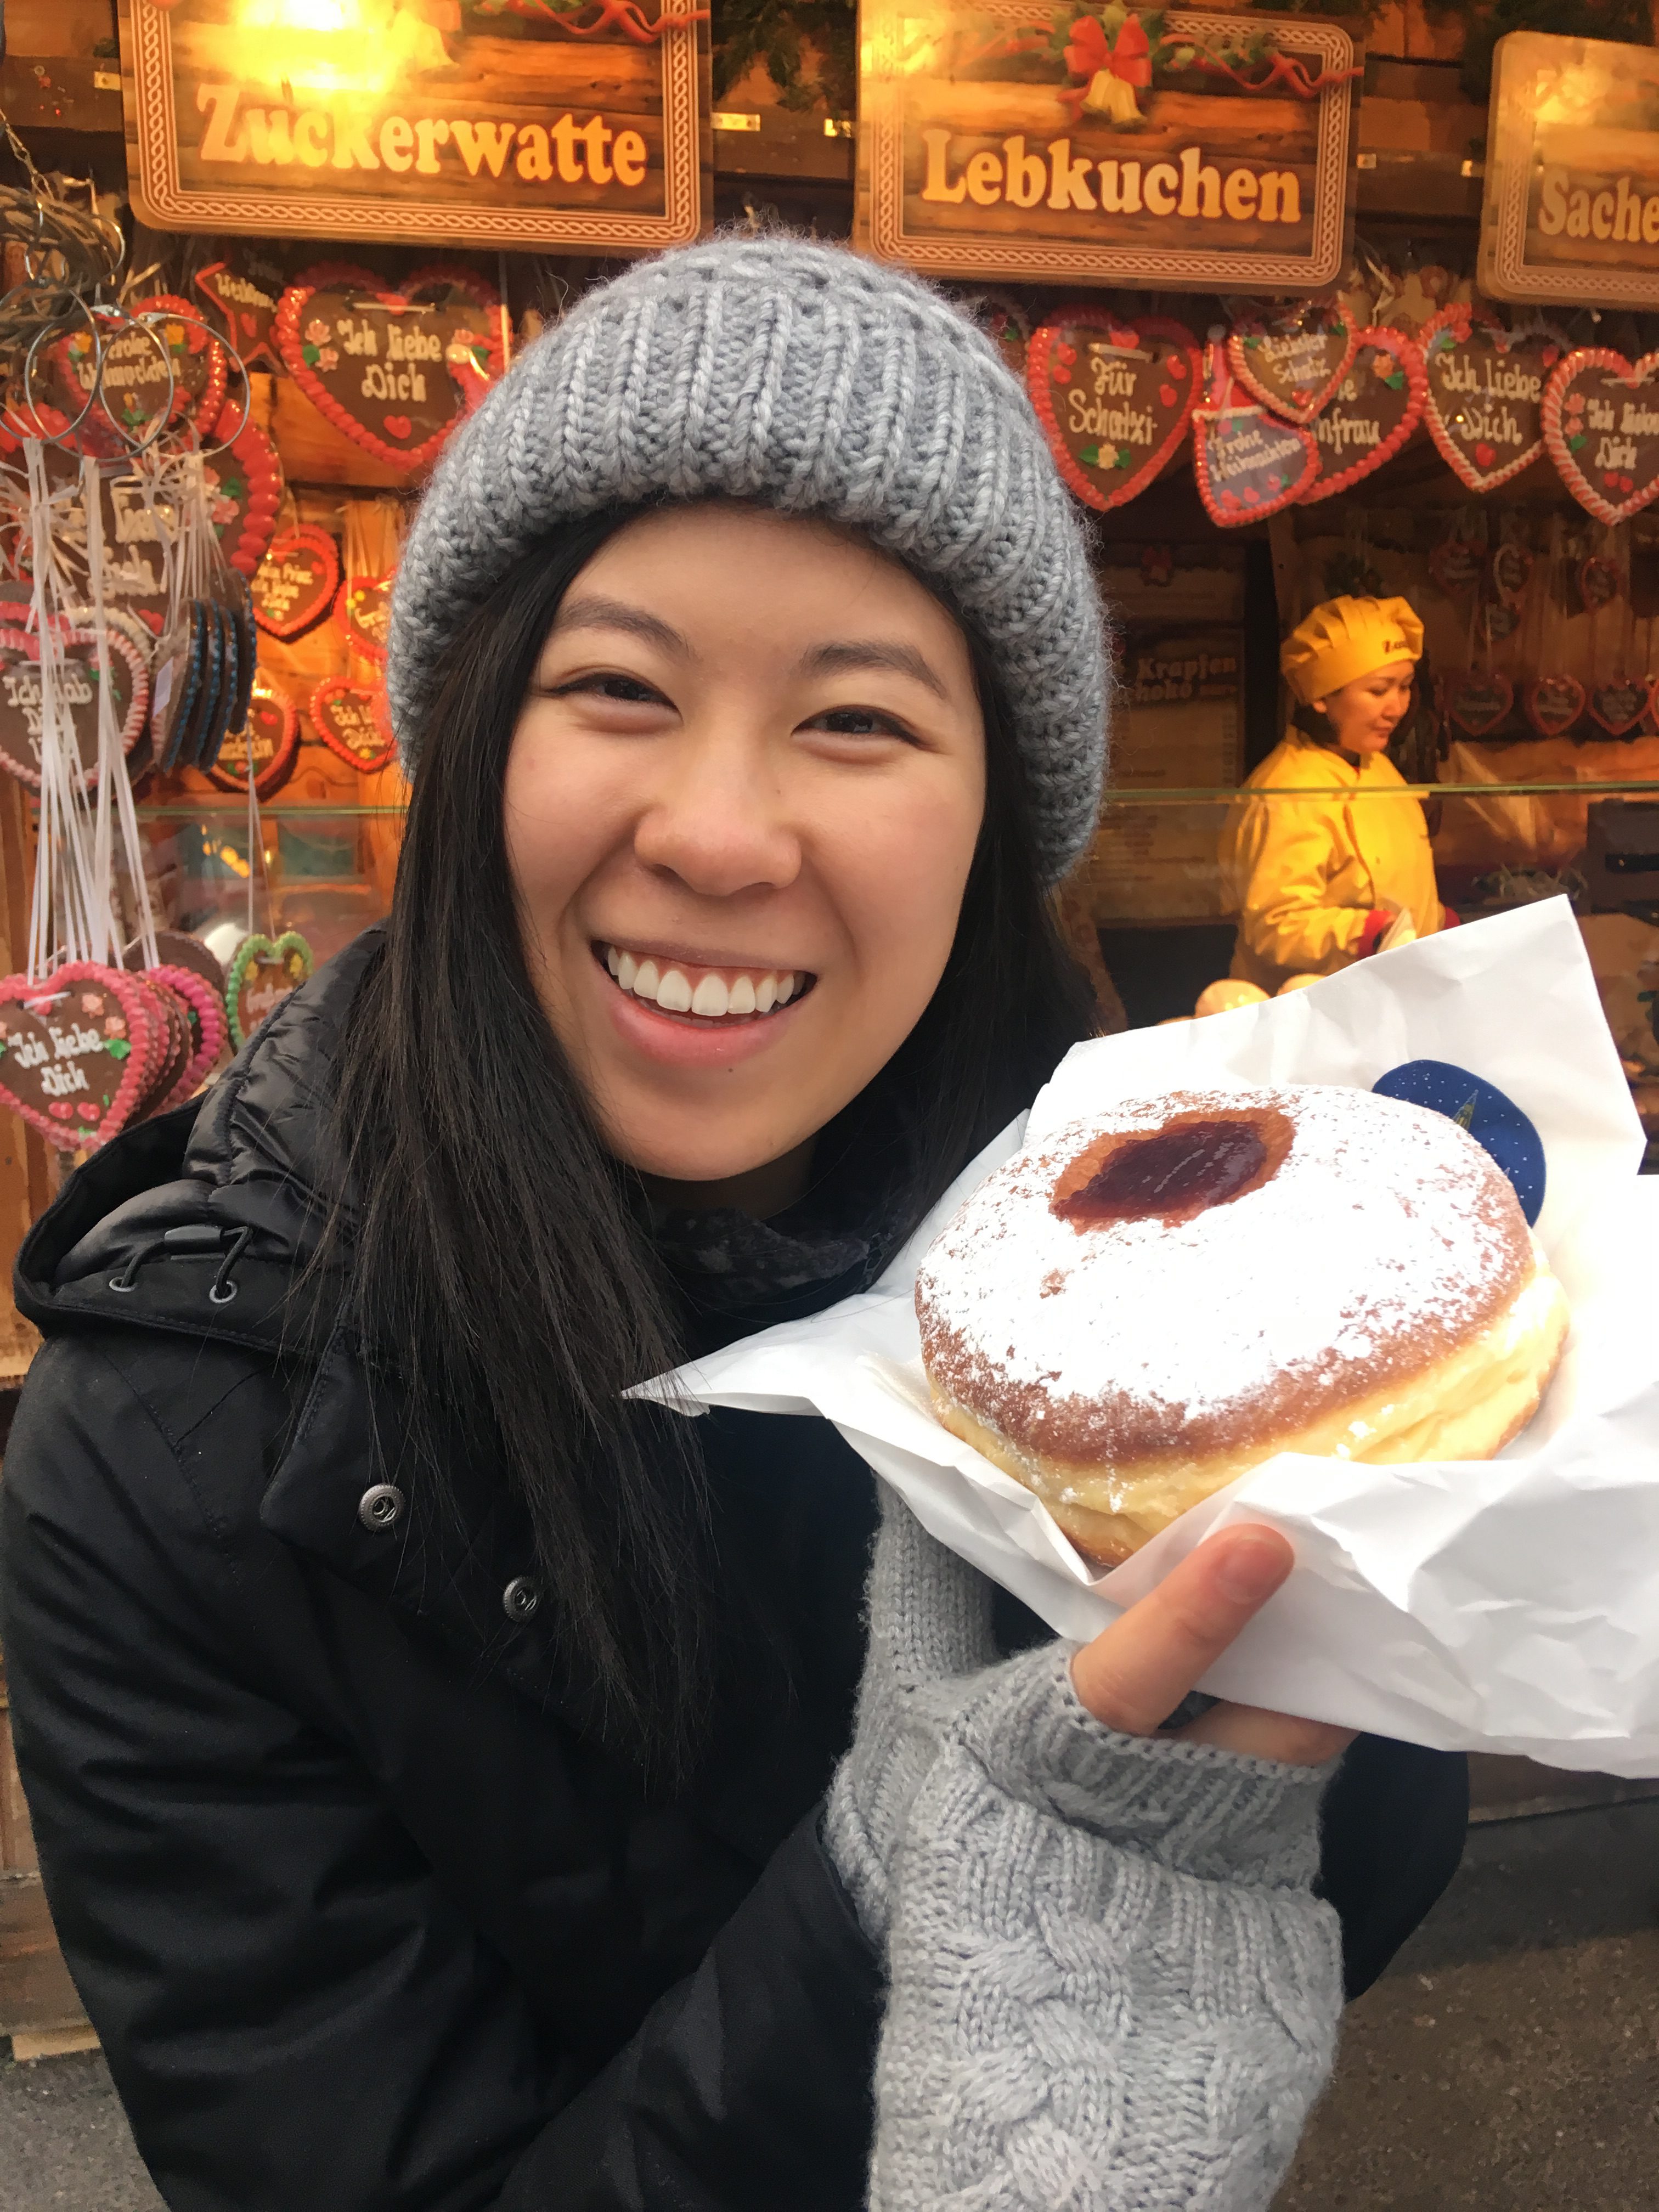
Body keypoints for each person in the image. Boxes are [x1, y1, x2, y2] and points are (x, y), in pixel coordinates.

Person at [0, 241, 1465, 2212]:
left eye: (853, 719)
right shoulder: (164, 1456)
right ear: (475, 746)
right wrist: (948, 1883)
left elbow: (1344, 1897)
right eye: (615, 687)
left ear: (991, 817)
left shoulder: (1138, 1284)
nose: (711, 830)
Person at [1221, 595, 1452, 994]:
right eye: (1379, 691)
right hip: (1305, 1011)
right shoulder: (1287, 789)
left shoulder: (1375, 765)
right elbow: (1276, 926)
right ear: (1322, 698)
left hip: (1384, 998)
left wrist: (1436, 922)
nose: (1397, 708)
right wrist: (1363, 934)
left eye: (1405, 687)